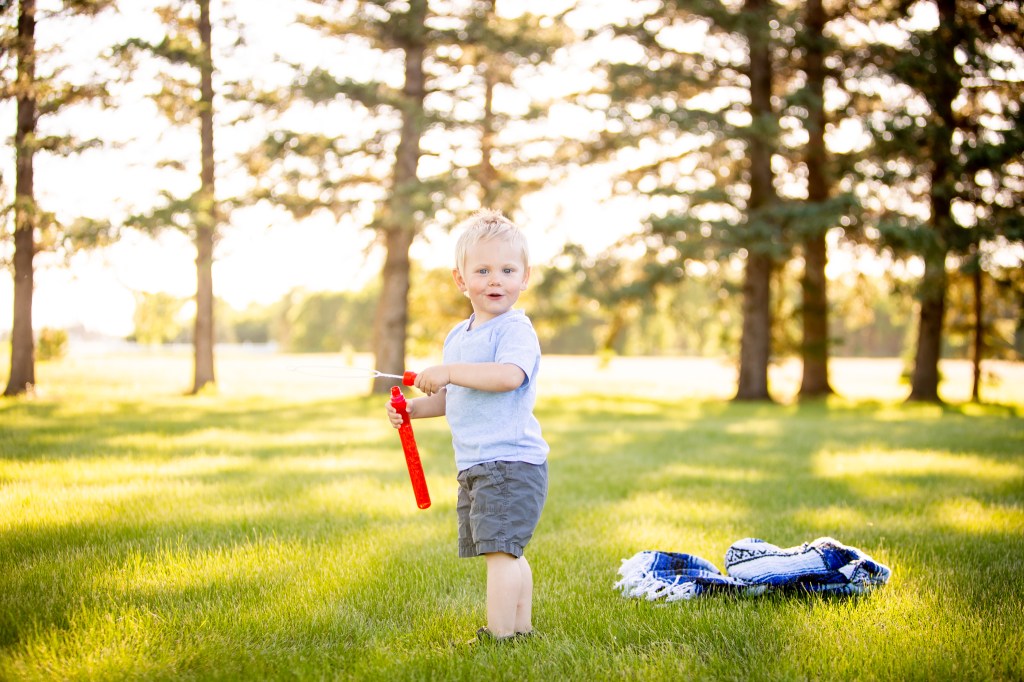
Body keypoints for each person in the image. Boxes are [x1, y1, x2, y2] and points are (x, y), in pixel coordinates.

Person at [385, 209, 549, 643]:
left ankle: (499, 636)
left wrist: (451, 371)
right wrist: (413, 410)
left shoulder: (515, 330)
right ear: (461, 279)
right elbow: (454, 396)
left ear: (525, 277)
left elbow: (508, 376)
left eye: (507, 270)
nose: (496, 280)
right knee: (506, 550)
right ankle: (520, 631)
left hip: (511, 463)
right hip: (477, 463)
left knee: (500, 552)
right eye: (483, 270)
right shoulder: (459, 336)